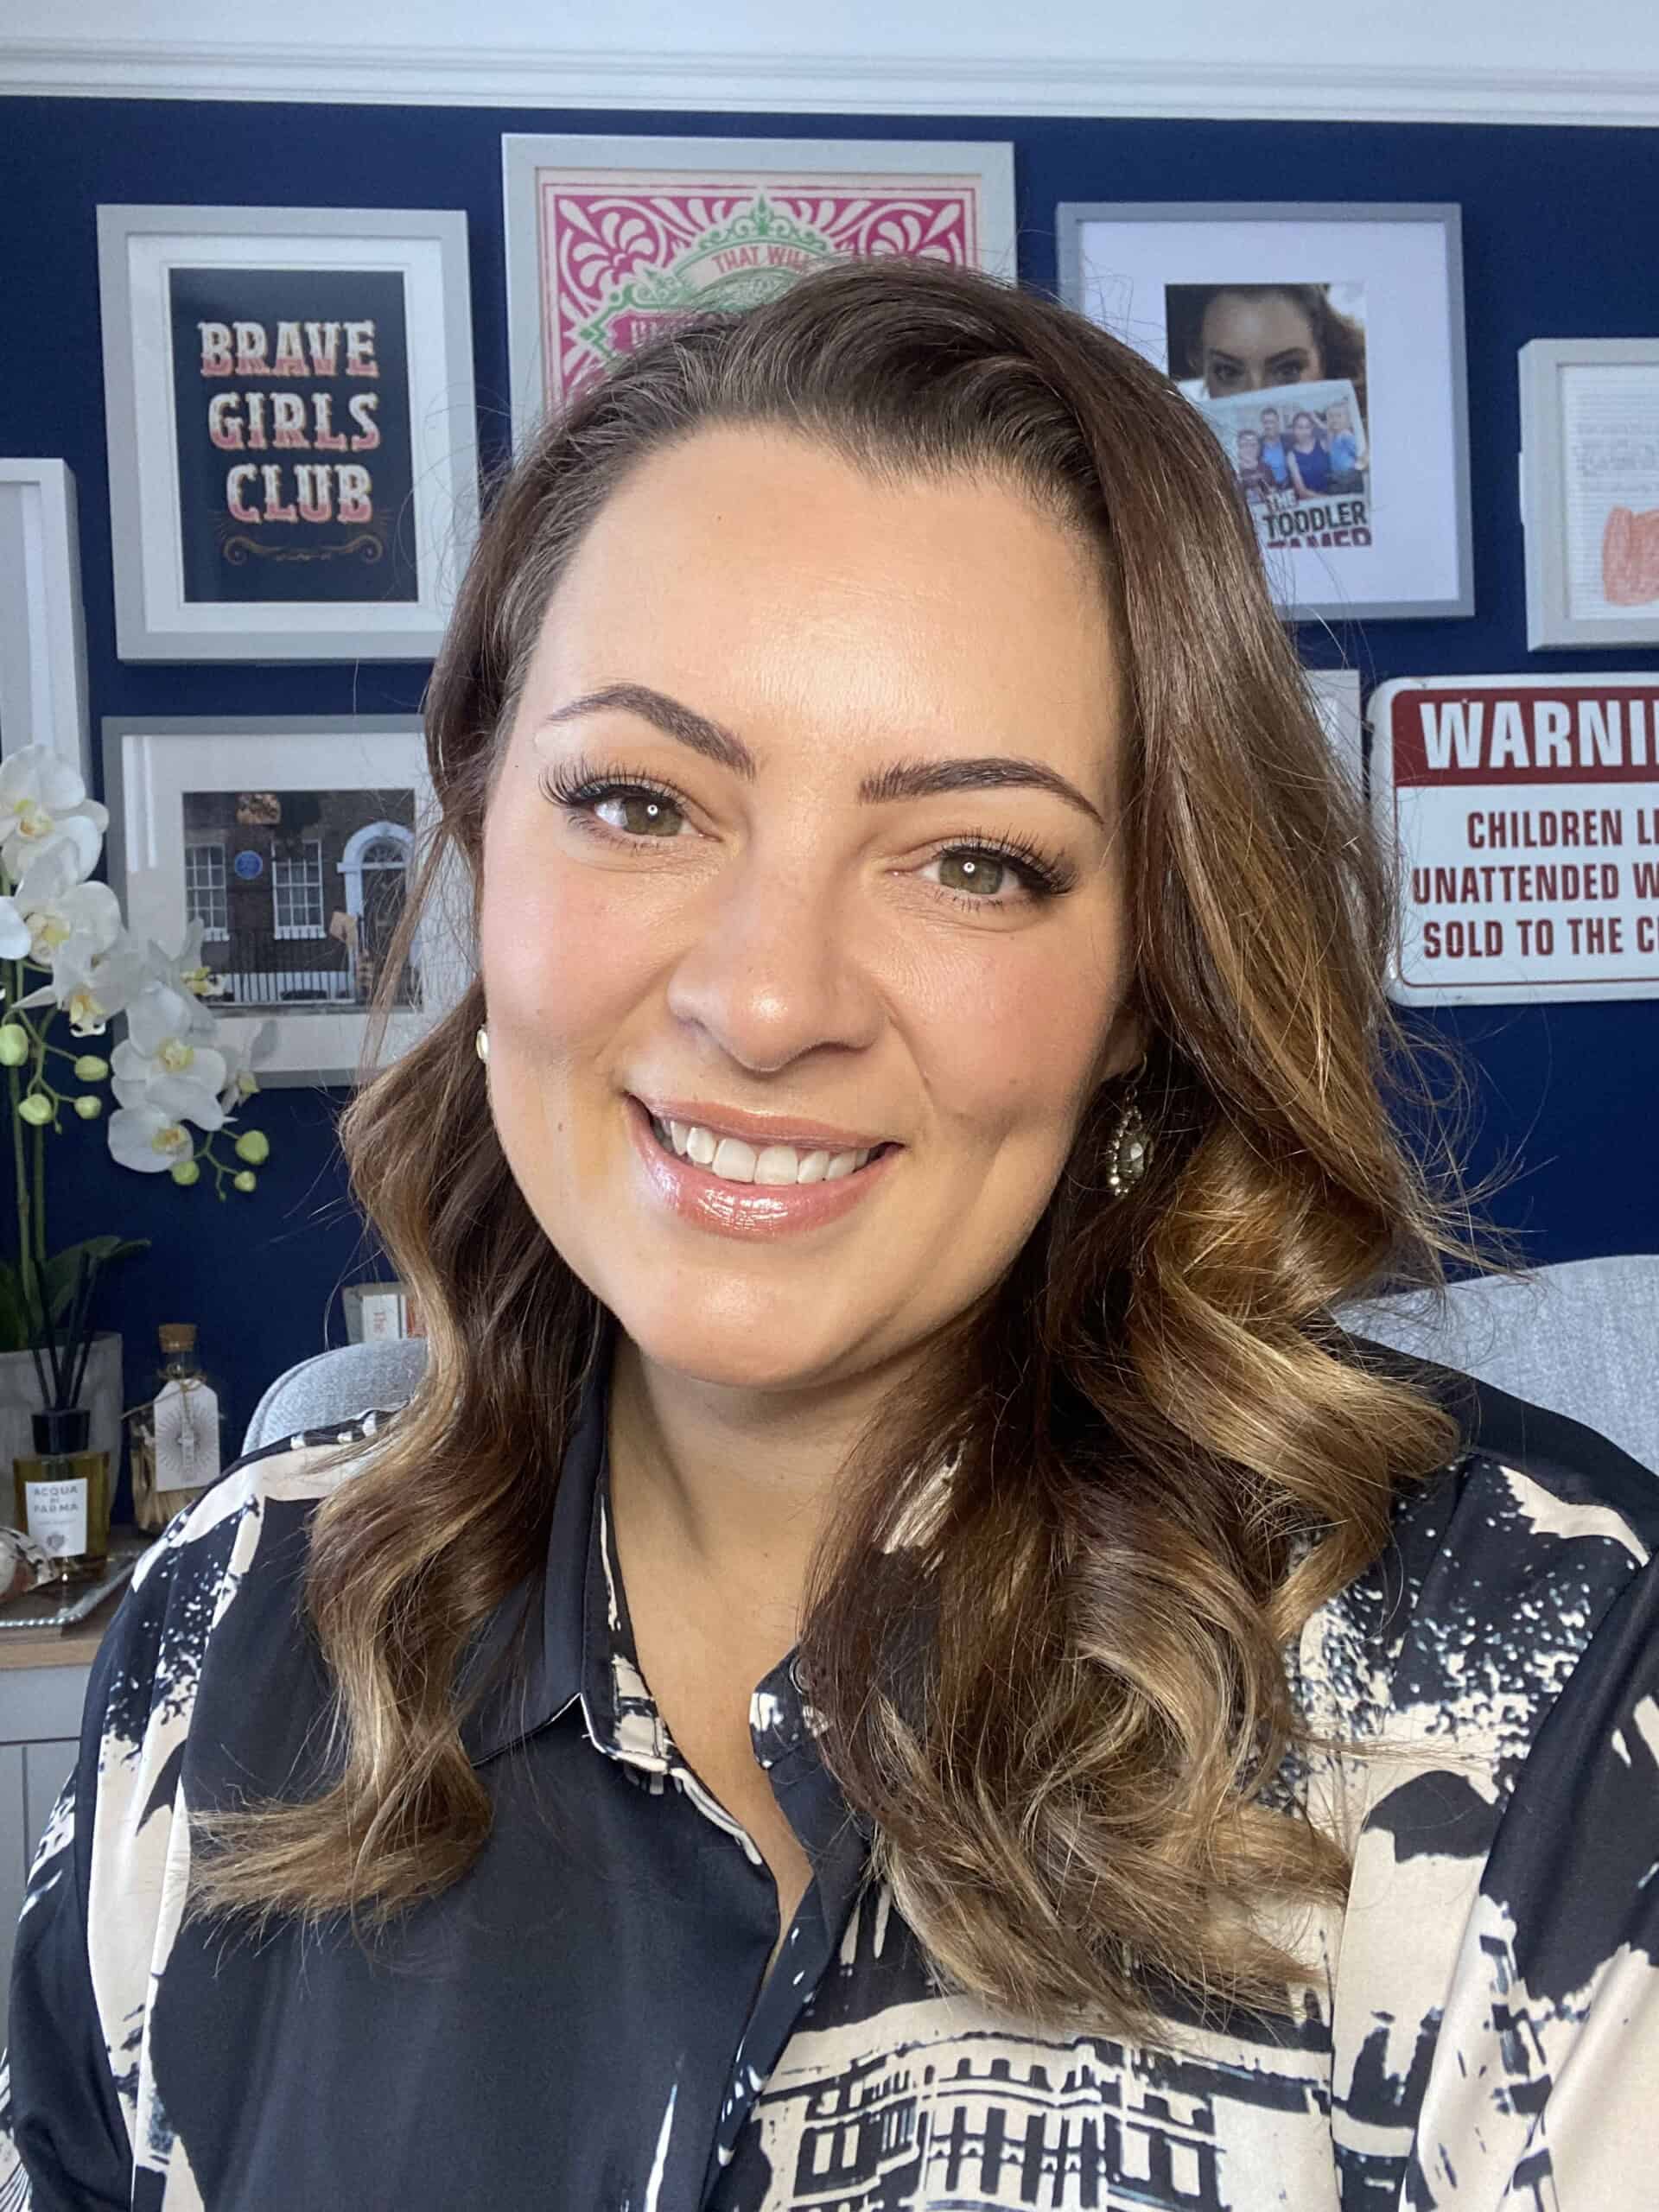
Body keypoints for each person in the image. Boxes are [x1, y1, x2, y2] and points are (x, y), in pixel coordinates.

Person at [4, 257, 1656, 2212]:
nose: (770, 997)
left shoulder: (1539, 1691)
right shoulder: (229, 1628)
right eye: (639, 799)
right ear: (477, 827)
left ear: (1145, 972)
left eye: (974, 859)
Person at [1286, 407, 1333, 499]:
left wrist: (1317, 420)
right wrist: (1328, 499)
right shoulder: (1291, 456)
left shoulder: (1323, 444)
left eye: (1307, 427)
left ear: (1312, 428)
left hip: (1334, 494)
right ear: (1294, 430)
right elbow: (1302, 492)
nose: (1304, 432)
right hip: (1311, 501)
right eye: (1300, 428)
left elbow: (1332, 432)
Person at [1325, 395, 1368, 493]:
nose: (1334, 419)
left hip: (1349, 476)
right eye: (1331, 416)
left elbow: (1360, 454)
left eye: (1339, 416)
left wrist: (1356, 470)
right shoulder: (1336, 435)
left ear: (1348, 420)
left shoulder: (1346, 436)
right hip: (1338, 475)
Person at [1233, 426, 1276, 504]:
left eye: (1253, 445)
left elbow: (1274, 492)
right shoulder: (1233, 471)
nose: (1249, 449)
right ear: (1238, 447)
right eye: (1245, 445)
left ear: (1259, 448)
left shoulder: (1266, 468)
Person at [1257, 403, 1291, 488]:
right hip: (1268, 489)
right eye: (1266, 422)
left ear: (1278, 422)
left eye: (1272, 422)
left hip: (1290, 486)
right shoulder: (1257, 445)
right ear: (1262, 424)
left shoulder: (1289, 441)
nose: (1269, 426)